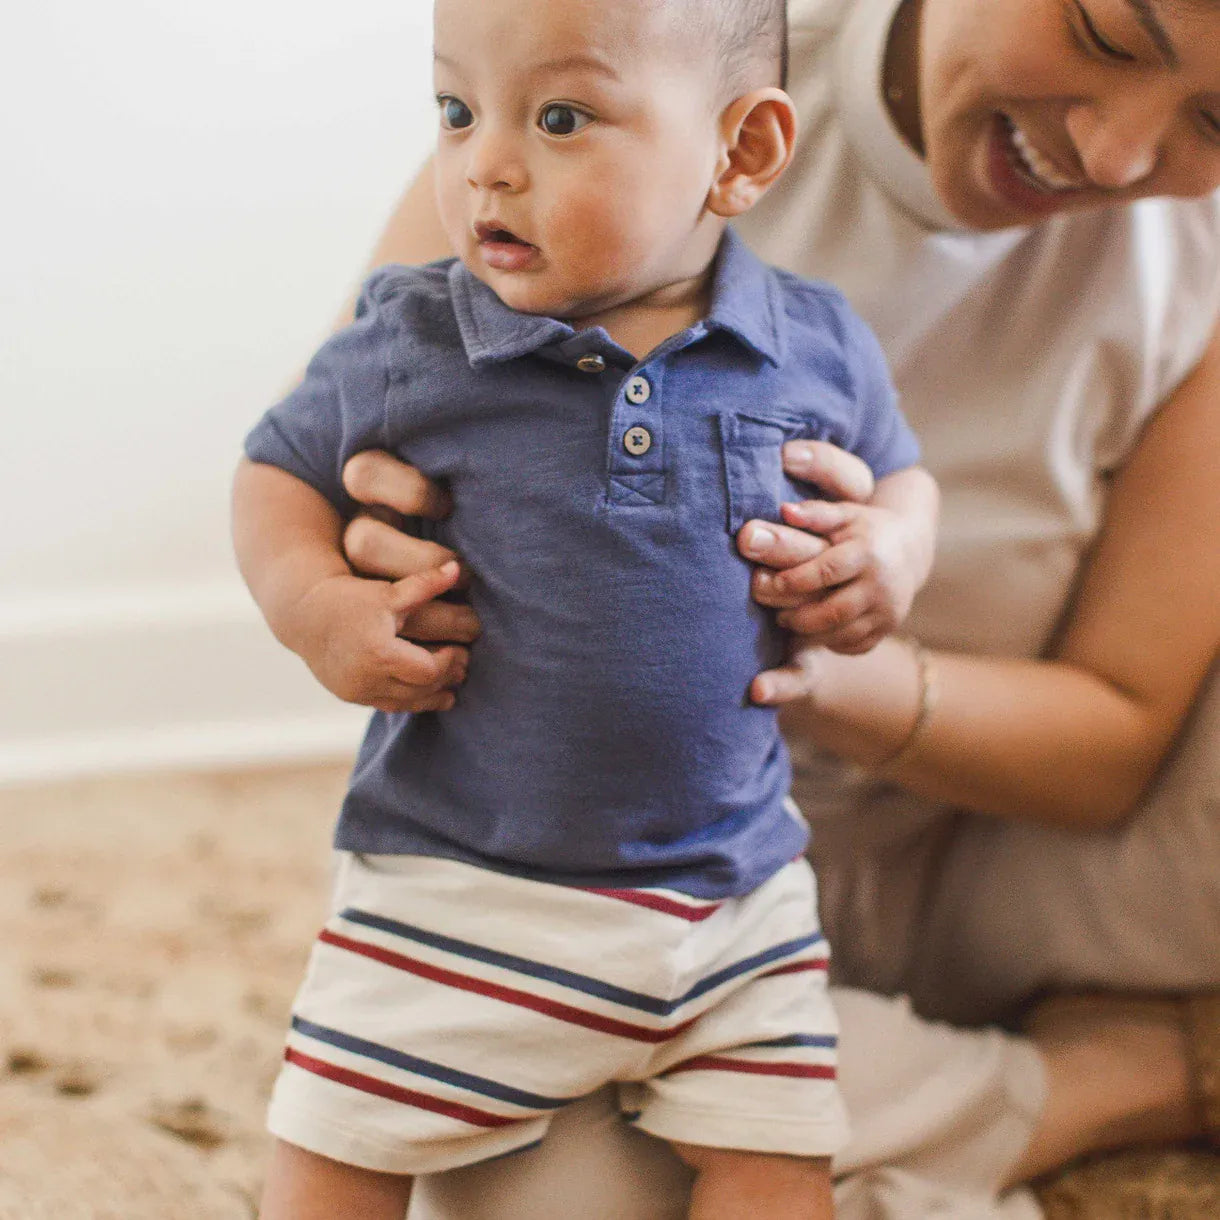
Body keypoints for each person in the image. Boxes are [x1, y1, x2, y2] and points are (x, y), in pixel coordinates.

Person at [313, 0, 1220, 1215]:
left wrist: (829, 658)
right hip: (628, 857)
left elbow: (1113, 737)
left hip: (1017, 853)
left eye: (1215, 121)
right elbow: (331, 461)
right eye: (1106, 35)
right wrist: (360, 546)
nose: (1114, 155)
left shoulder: (1192, 274)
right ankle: (1109, 1074)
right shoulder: (637, 57)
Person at [233, 0, 942, 1215]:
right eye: (455, 112)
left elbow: (905, 475)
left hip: (729, 887)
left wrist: (893, 547)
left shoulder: (813, 344)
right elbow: (276, 470)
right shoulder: (419, 333)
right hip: (460, 878)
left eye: (559, 117)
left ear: (742, 151)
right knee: (338, 1130)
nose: (484, 164)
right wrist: (312, 605)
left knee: (779, 1158)